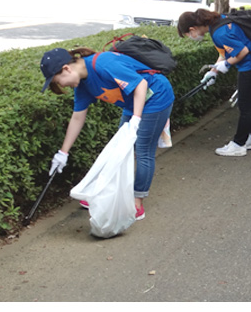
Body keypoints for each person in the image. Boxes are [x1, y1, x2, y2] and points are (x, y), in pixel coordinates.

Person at [40, 47, 175, 220]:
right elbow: (77, 118)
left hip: (156, 97)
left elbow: (141, 84)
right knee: (119, 148)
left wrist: (136, 119)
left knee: (143, 150)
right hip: (134, 100)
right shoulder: (82, 84)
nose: (62, 85)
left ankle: (137, 203)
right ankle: (104, 193)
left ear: (67, 69)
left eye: (59, 81)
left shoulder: (103, 64)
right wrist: (63, 153)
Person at [177, 8, 251, 157]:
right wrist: (213, 71)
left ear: (192, 29)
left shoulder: (219, 32)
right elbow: (224, 52)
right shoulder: (217, 23)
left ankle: (239, 144)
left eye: (188, 34)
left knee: (245, 104)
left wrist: (227, 64)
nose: (191, 37)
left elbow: (242, 52)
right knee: (248, 100)